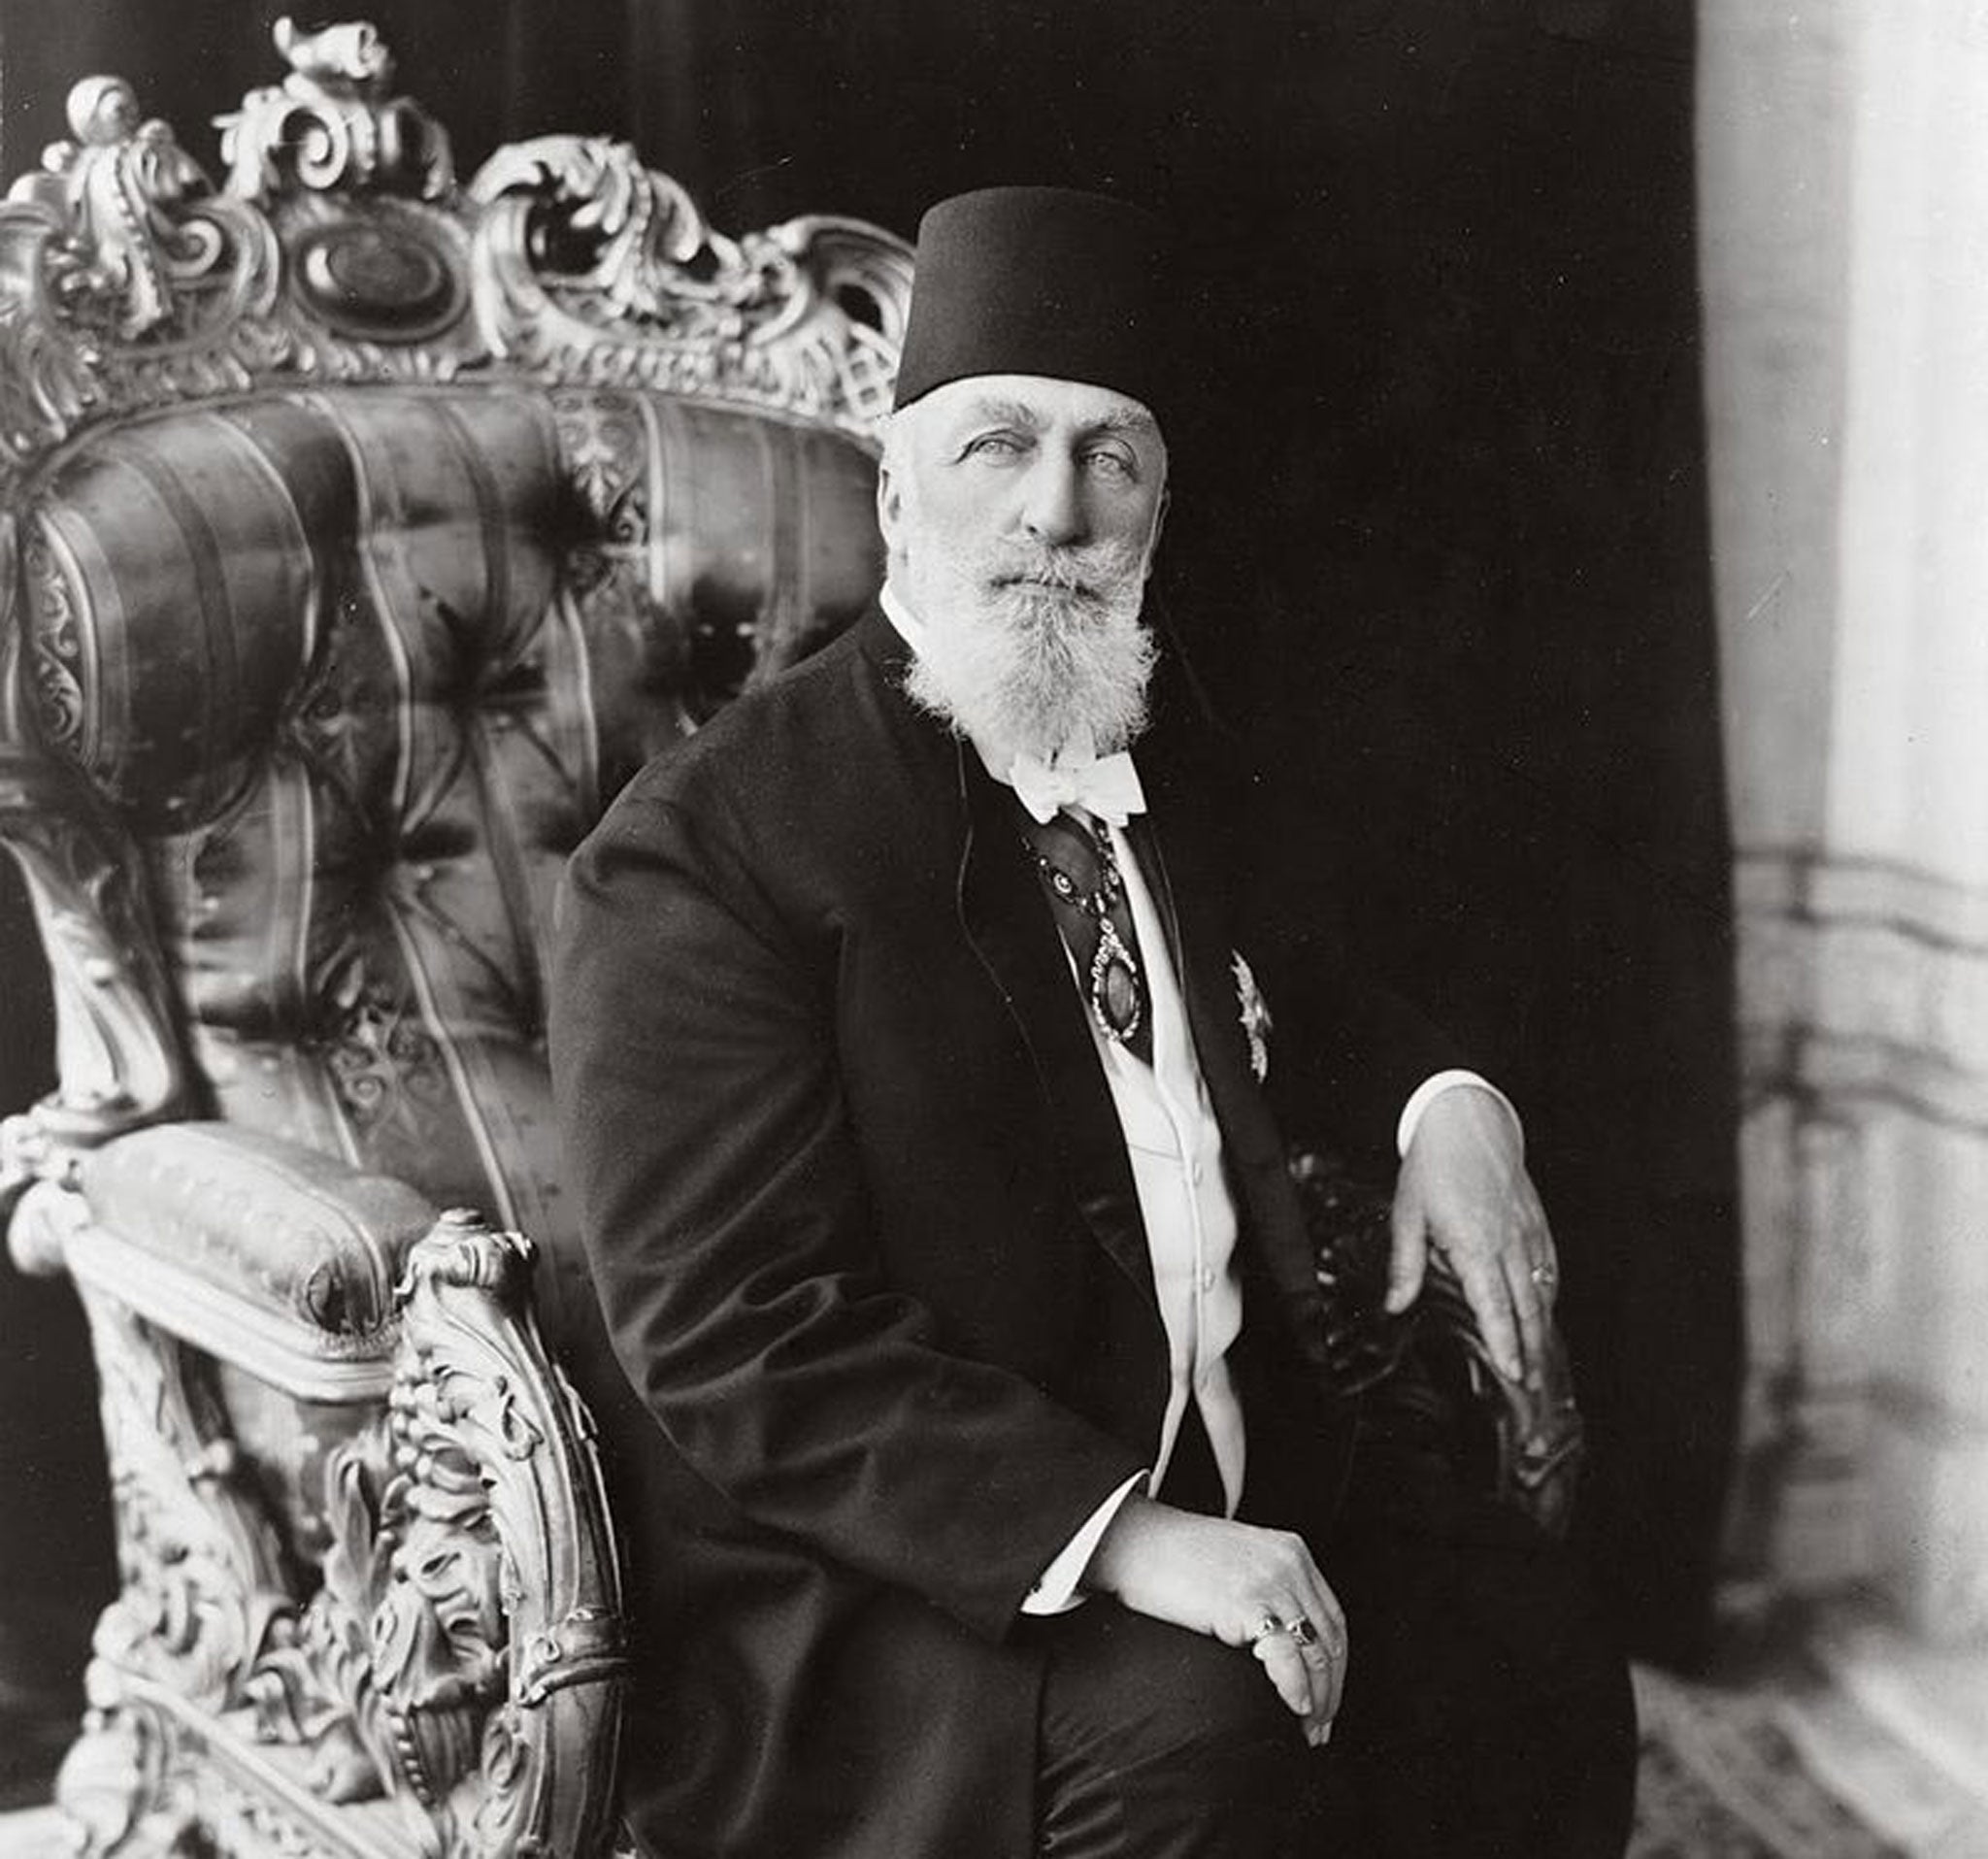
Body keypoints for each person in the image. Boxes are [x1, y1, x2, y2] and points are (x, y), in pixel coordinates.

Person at [549, 185, 1636, 1859]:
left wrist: (1449, 1107)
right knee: (1206, 1737)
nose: (1057, 512)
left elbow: (1322, 985)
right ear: (895, 486)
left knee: (1530, 1647)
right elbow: (732, 1327)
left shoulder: (1155, 743)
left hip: (1230, 1473)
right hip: (887, 1588)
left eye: (1109, 456)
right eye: (1000, 447)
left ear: (1157, 508)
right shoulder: (708, 849)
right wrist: (1122, 1539)